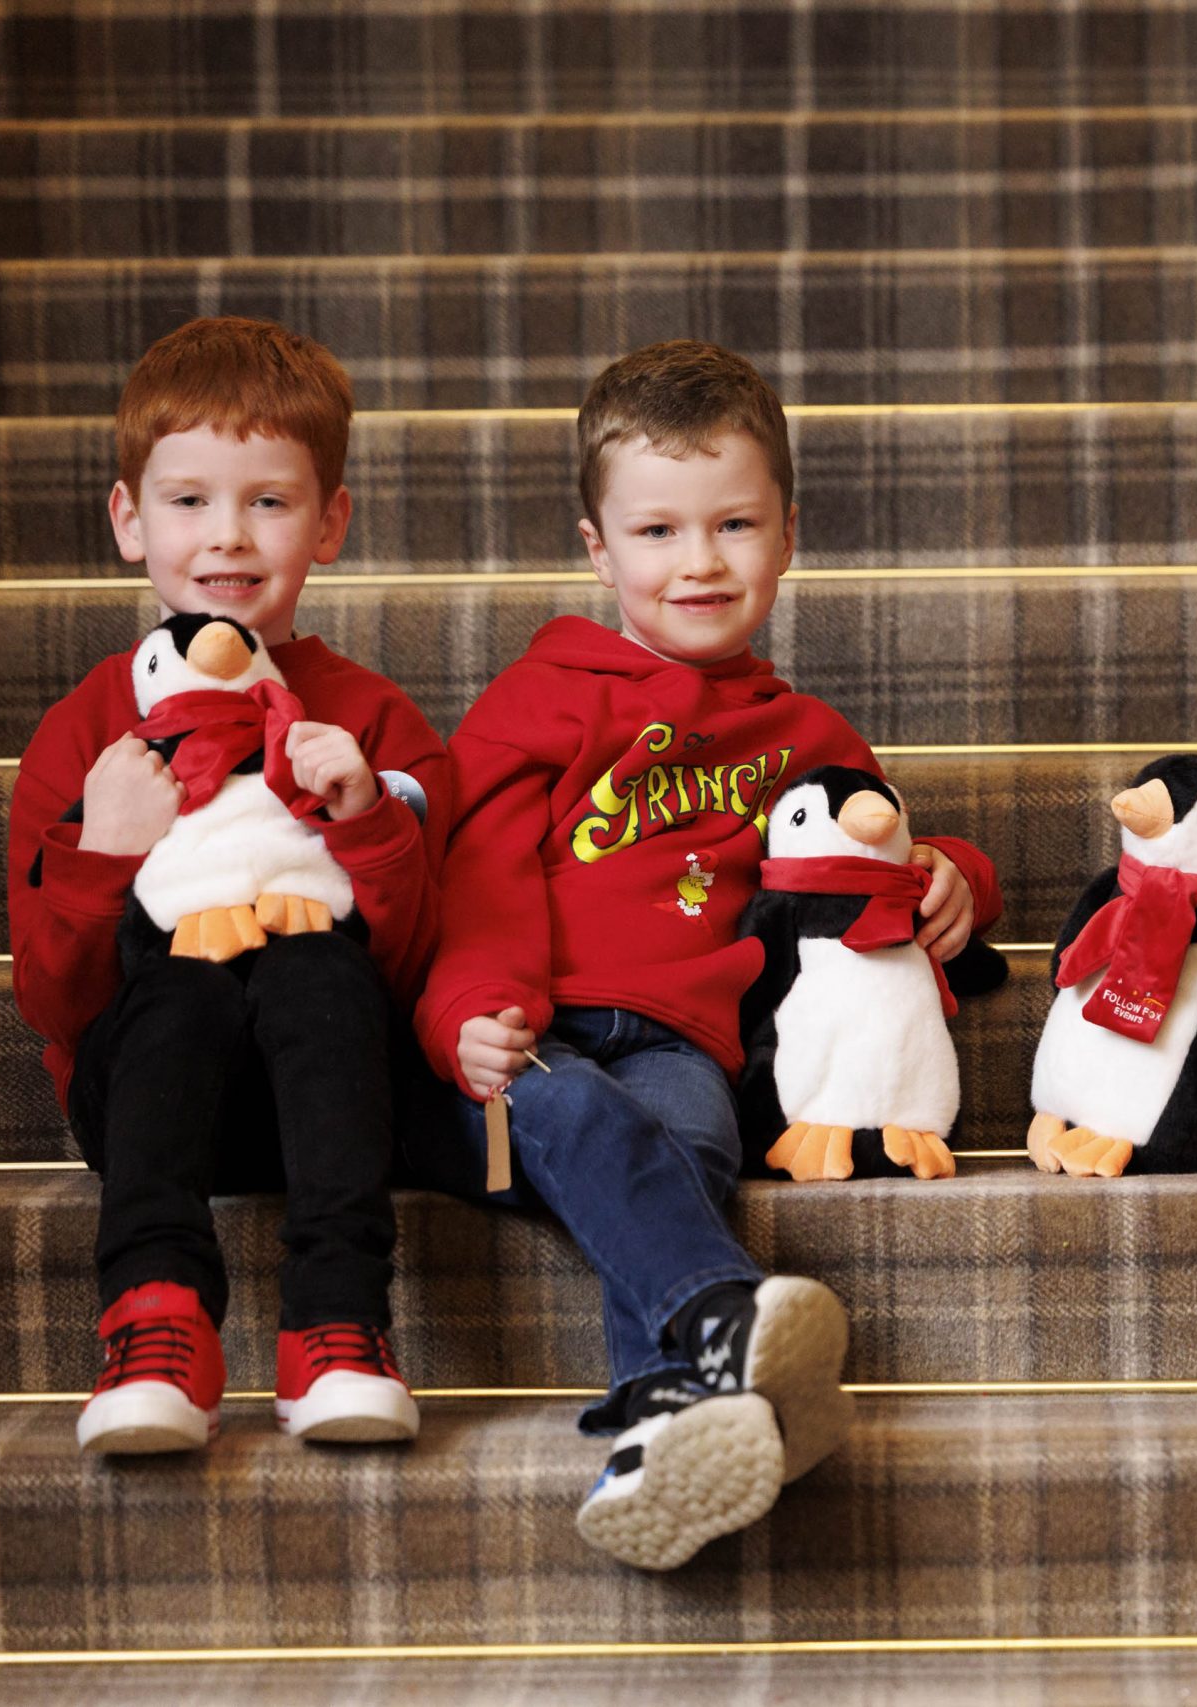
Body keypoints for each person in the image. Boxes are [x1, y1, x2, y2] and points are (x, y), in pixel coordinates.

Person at [410, 340, 1003, 1571]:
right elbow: (476, 876)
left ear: (788, 534)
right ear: (598, 548)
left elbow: (861, 855)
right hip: (521, 1041)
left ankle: (662, 1426)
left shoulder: (807, 735)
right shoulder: (542, 700)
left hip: (685, 1040)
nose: (699, 562)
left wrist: (954, 873)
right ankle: (729, 1320)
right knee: (582, 1116)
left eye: (734, 524)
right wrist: (471, 1009)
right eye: (658, 531)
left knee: (686, 1146)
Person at [8, 316, 448, 1455]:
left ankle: (338, 1327)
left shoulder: (377, 722)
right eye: (189, 499)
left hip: (338, 1094)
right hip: (150, 1100)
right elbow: (53, 1004)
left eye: (269, 501)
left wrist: (367, 825)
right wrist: (104, 851)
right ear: (129, 520)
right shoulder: (86, 729)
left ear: (330, 522)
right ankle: (154, 1323)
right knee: (185, 985)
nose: (228, 535)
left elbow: (415, 970)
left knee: (317, 969)